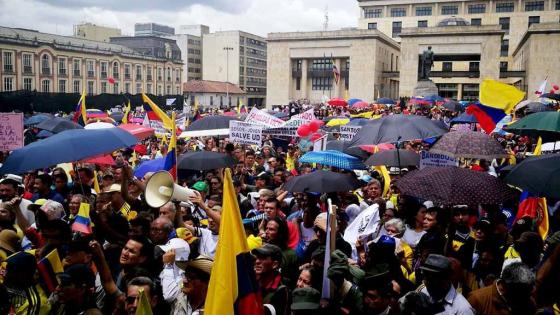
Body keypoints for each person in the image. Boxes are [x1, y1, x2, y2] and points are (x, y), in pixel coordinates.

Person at [468, 262, 536, 315]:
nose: (533, 291)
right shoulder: (477, 299)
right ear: (508, 288)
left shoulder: (529, 303)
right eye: (526, 290)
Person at [252, 244, 290, 315]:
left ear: (274, 264)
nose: (257, 261)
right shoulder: (252, 281)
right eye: (257, 257)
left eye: (263, 258)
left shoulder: (281, 290)